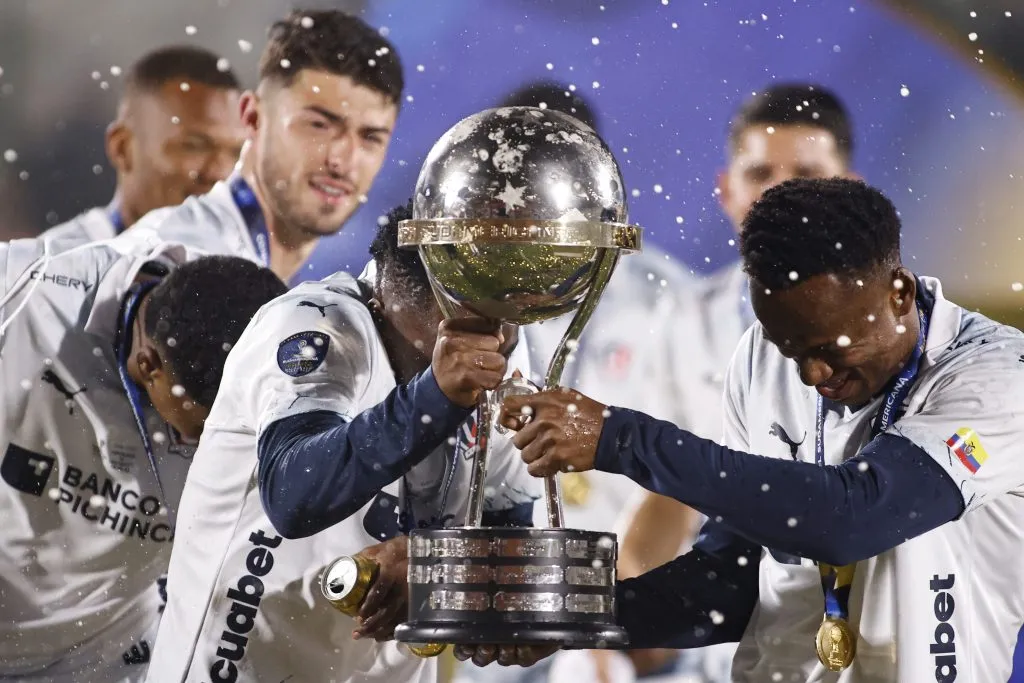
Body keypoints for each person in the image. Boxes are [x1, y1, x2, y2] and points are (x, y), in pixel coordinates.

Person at [495, 177, 1024, 683]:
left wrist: (620, 439)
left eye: (829, 349)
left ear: (900, 294)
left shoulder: (997, 376)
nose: (813, 376)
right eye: (792, 350)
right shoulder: (757, 355)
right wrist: (573, 618)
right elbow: (731, 579)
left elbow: (851, 517)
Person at [147, 204, 540, 682]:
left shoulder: (503, 368)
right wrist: (435, 393)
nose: (492, 345)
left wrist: (456, 576)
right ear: (407, 300)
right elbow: (294, 497)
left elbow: (508, 546)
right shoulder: (313, 324)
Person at [0, 234, 287, 681]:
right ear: (149, 364)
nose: (205, 448)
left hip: (106, 660)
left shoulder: (277, 352)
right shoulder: (26, 287)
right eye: (198, 431)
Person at [124, 10, 402, 285]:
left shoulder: (280, 284)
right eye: (319, 125)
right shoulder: (177, 255)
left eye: (370, 137)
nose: (342, 161)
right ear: (253, 117)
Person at [41, 45, 245, 249]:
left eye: (236, 153)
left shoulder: (254, 269)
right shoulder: (50, 270)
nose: (220, 172)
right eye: (194, 146)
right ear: (122, 148)